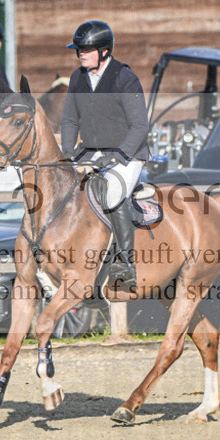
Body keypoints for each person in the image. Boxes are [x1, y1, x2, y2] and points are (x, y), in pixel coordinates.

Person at [60, 20, 149, 291]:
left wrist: (116, 156)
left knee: (113, 194)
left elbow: (140, 126)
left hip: (127, 154)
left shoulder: (124, 78)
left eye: (87, 50)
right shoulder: (77, 78)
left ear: (104, 51)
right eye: (79, 50)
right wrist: (67, 152)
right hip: (90, 152)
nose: (81, 54)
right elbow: (69, 120)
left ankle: (125, 263)